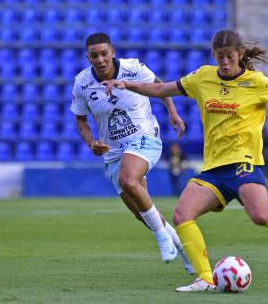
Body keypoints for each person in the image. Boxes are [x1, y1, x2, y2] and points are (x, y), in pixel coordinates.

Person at [102, 29, 268, 292]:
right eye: (220, 57)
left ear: (240, 54)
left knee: (261, 216)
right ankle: (206, 279)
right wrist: (128, 84)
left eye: (230, 57)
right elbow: (162, 88)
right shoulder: (203, 77)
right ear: (214, 55)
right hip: (213, 169)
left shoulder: (257, 82)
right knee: (182, 214)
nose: (224, 62)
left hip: (244, 164)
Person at [70, 32, 193, 274]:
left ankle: (162, 239)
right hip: (113, 153)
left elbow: (160, 86)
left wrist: (172, 111)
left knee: (129, 179)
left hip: (144, 138)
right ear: (88, 58)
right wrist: (91, 142)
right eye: (94, 56)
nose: (100, 59)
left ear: (112, 51)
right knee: (143, 213)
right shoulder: (82, 83)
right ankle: (187, 253)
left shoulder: (133, 68)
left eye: (104, 53)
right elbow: (81, 120)